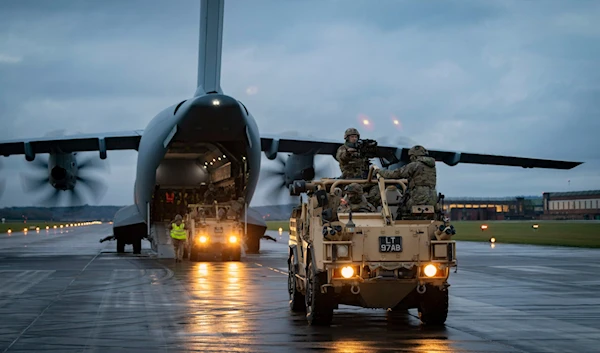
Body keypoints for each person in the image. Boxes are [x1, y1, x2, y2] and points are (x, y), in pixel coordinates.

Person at [376, 145, 438, 215]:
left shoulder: (414, 165)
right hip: (433, 197)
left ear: (414, 156)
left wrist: (380, 172)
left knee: (402, 210)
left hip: (419, 196)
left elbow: (397, 174)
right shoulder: (432, 167)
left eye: (411, 156)